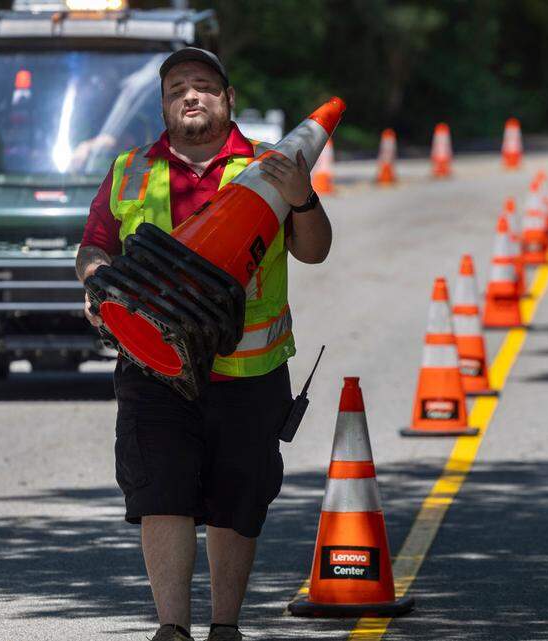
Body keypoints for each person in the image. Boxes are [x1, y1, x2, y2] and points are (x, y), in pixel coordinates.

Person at [75, 47, 332, 641]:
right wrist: (97, 283)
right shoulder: (129, 169)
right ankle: (171, 628)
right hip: (153, 366)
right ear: (164, 105)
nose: (191, 96)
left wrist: (303, 197)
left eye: (204, 86)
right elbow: (93, 247)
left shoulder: (271, 167)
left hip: (248, 371)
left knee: (236, 501)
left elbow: (314, 251)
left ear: (228, 99)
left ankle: (225, 628)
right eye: (177, 89)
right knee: (160, 491)